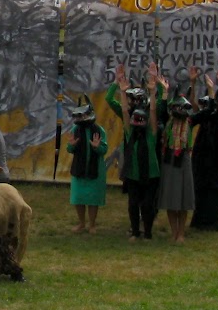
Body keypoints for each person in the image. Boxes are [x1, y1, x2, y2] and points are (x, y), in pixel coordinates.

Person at [106, 62, 162, 240]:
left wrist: (154, 89)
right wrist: (120, 88)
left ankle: (148, 232)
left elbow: (154, 109)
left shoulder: (152, 133)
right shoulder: (129, 132)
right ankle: (135, 231)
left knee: (147, 204)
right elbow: (122, 109)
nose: (137, 121)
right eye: (135, 119)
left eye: (140, 119)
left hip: (150, 173)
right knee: (133, 204)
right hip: (132, 172)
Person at [189, 66, 218, 230]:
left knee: (214, 188)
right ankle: (199, 220)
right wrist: (193, 81)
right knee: (199, 186)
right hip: (200, 154)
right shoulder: (203, 118)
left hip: (214, 156)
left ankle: (214, 221)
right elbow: (192, 104)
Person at [158, 95, 198, 244]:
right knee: (170, 197)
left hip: (184, 159)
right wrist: (164, 92)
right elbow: (160, 108)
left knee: (183, 198)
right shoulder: (167, 123)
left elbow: (199, 111)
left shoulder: (190, 123)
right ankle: (173, 232)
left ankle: (181, 232)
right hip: (169, 159)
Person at [66, 100, 108, 234]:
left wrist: (97, 147)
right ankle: (81, 223)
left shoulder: (99, 130)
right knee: (78, 197)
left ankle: (92, 224)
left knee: (93, 198)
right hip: (79, 169)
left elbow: (104, 149)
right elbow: (69, 149)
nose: (81, 119)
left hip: (95, 169)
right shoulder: (75, 130)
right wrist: (71, 145)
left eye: (83, 115)